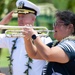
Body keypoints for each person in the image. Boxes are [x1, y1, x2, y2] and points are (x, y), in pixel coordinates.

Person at [0, 0, 52, 75]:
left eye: (23, 16)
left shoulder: (43, 38)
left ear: (33, 19)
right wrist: (1, 23)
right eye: (19, 17)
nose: (20, 20)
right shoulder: (11, 37)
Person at [24, 10, 75, 75]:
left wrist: (34, 36)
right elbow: (34, 54)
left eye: (58, 24)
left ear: (70, 27)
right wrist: (27, 39)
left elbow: (48, 55)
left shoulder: (71, 44)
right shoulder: (55, 44)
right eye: (54, 24)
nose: (54, 27)